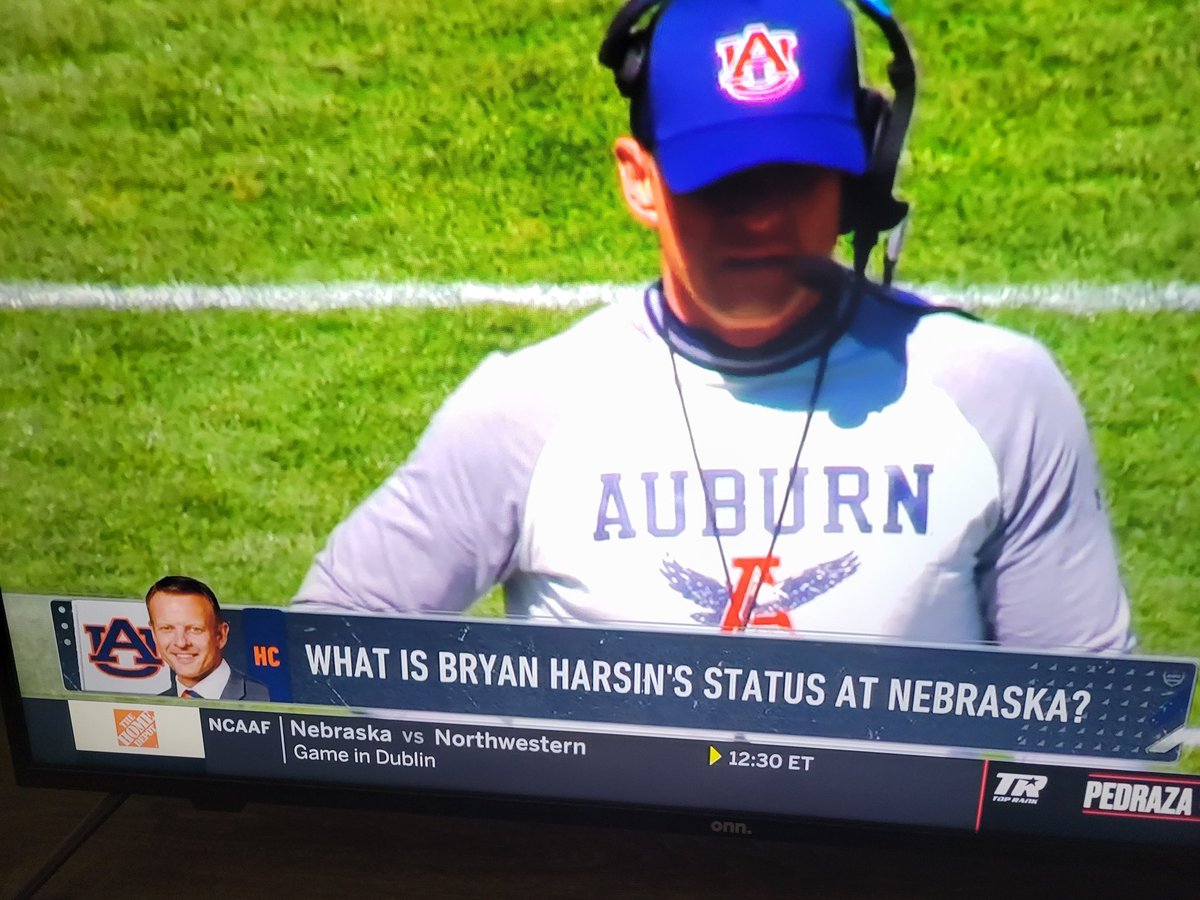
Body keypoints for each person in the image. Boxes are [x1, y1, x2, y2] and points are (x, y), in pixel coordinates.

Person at [293, 0, 1133, 652]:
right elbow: (323, 648)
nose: (760, 218)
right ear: (641, 181)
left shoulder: (1003, 396)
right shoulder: (526, 413)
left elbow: (1097, 740)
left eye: (794, 176)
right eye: (723, 185)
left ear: (862, 173)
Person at [146, 575, 270, 700]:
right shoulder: (153, 709)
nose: (181, 643)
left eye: (195, 629)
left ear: (221, 635)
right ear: (154, 634)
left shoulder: (265, 698)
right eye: (167, 628)